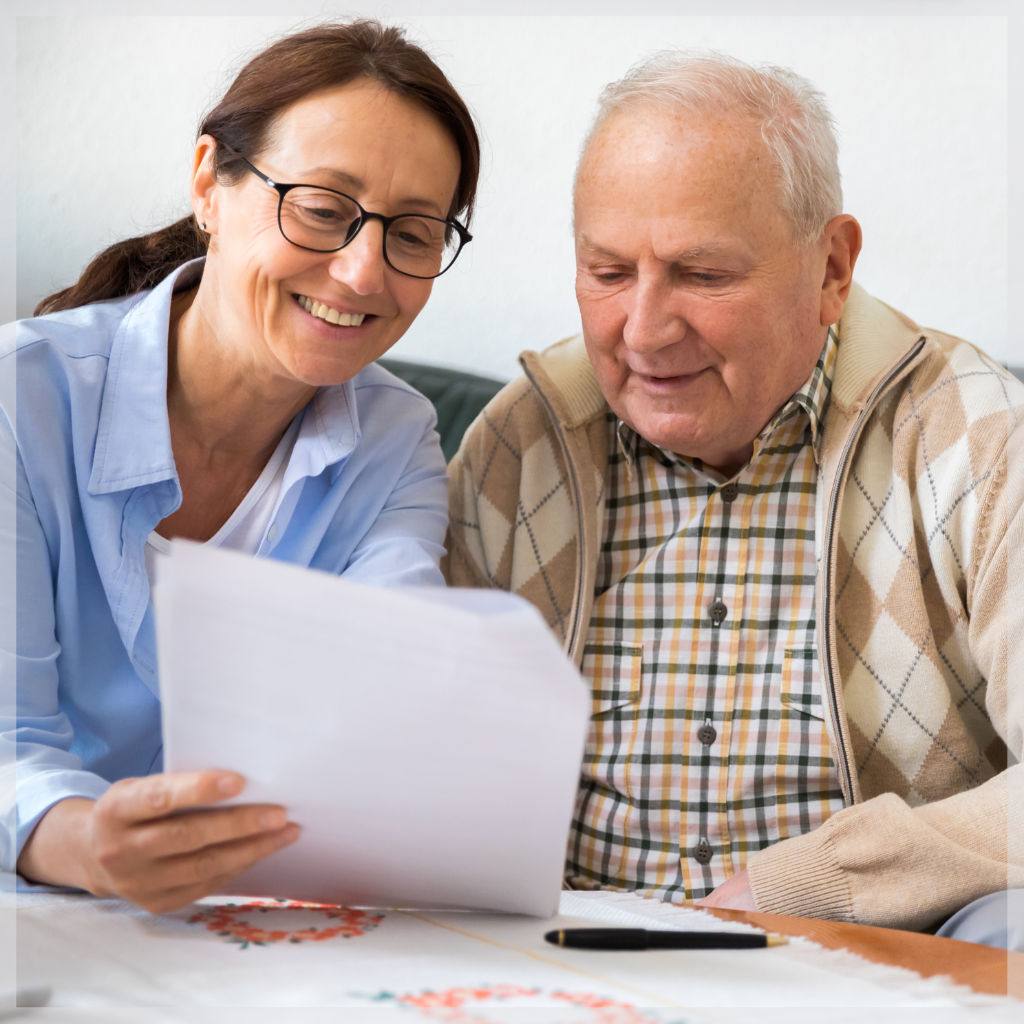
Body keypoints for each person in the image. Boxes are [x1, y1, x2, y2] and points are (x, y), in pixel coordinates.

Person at [444, 51, 1024, 944]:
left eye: (703, 275)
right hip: (555, 963)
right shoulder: (521, 447)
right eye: (606, 272)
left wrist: (816, 883)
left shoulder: (975, 438)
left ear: (831, 268)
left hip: (876, 956)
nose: (643, 330)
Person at [2, 20, 479, 912]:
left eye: (413, 233)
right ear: (208, 186)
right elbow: (5, 742)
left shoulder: (397, 440)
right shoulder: (19, 400)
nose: (362, 271)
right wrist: (87, 843)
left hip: (248, 934)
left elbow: (385, 699)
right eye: (322, 208)